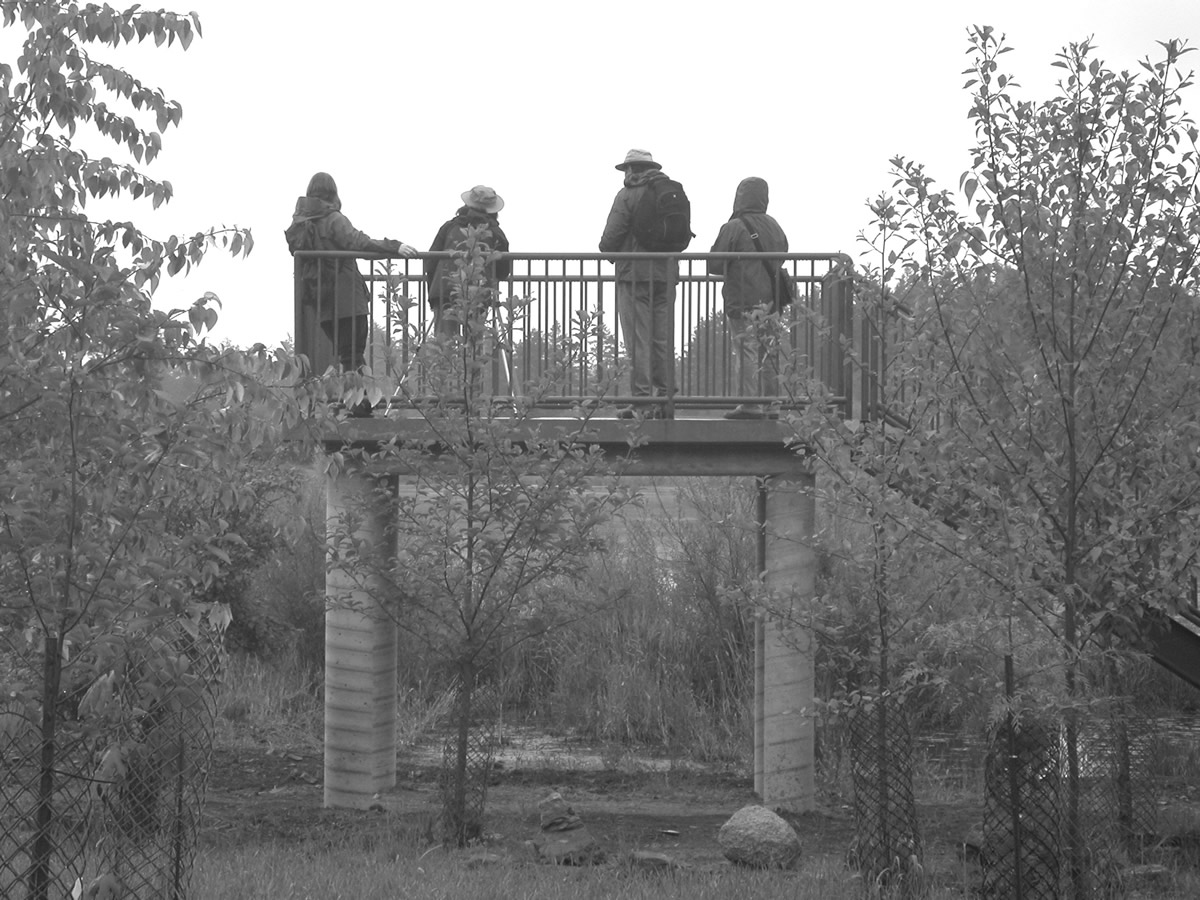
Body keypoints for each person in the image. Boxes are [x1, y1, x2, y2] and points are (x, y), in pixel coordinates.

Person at [285, 172, 416, 411]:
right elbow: (358, 242)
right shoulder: (333, 219)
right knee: (353, 355)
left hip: (322, 301)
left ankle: (352, 403)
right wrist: (394, 247)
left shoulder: (301, 224)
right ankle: (358, 406)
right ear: (332, 192)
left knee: (347, 355)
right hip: (347, 298)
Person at [599, 149, 679, 419]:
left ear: (632, 169)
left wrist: (610, 252)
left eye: (626, 169)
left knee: (638, 341)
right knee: (662, 339)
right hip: (666, 275)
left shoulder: (627, 195)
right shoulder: (670, 192)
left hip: (634, 276)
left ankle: (642, 402)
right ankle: (666, 400)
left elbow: (610, 238)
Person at [708, 176, 788, 419]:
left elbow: (714, 264)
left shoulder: (733, 227)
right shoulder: (774, 226)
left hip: (743, 298)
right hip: (772, 300)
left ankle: (750, 405)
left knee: (747, 352)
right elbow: (782, 254)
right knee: (769, 352)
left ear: (739, 197)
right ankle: (772, 405)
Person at [426, 185, 511, 339]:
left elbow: (430, 262)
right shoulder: (495, 233)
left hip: (444, 292)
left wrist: (433, 294)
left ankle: (444, 357)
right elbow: (504, 270)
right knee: (474, 343)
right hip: (478, 293)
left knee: (444, 343)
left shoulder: (449, 227)